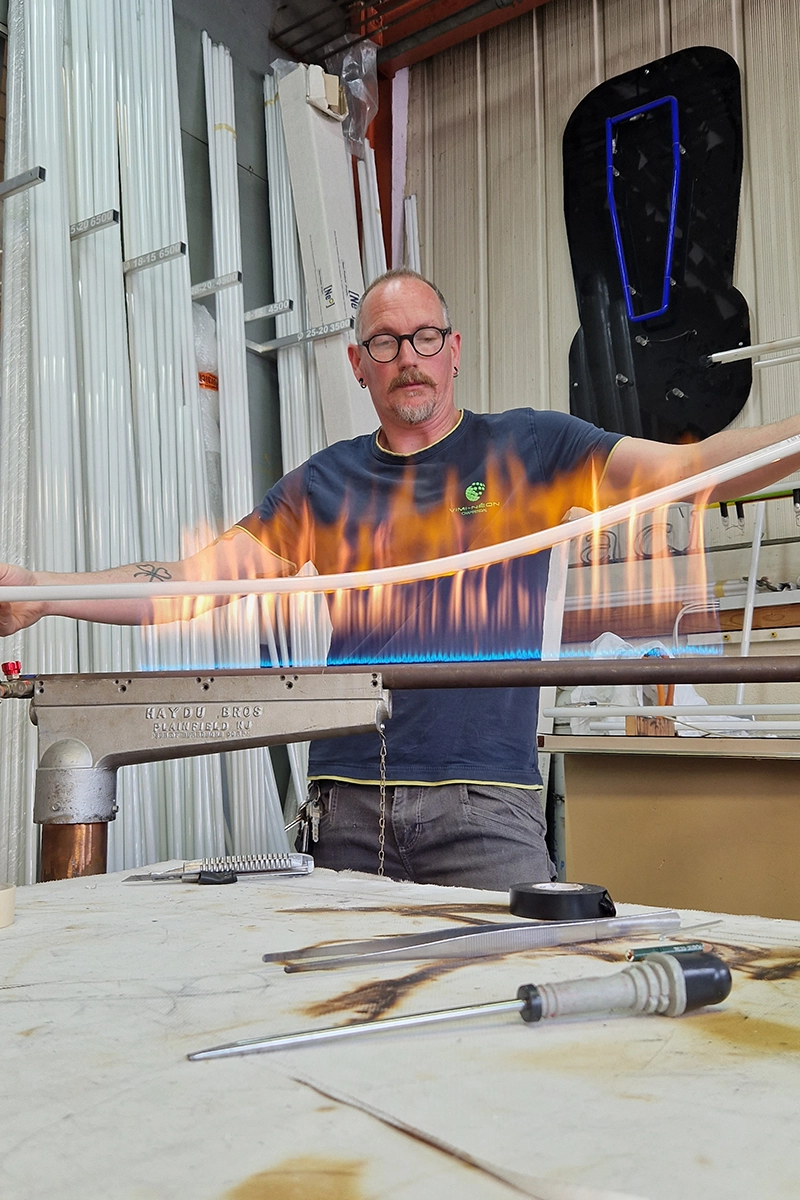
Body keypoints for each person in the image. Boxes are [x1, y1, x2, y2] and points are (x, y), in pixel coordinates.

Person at [2, 268, 800, 889]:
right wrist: (38, 592)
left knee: (511, 1023)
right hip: (346, 806)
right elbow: (190, 585)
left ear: (454, 350)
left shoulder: (533, 450)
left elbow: (690, 472)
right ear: (358, 363)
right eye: (385, 343)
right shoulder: (323, 485)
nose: (407, 358)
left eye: (424, 338)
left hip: (485, 805)